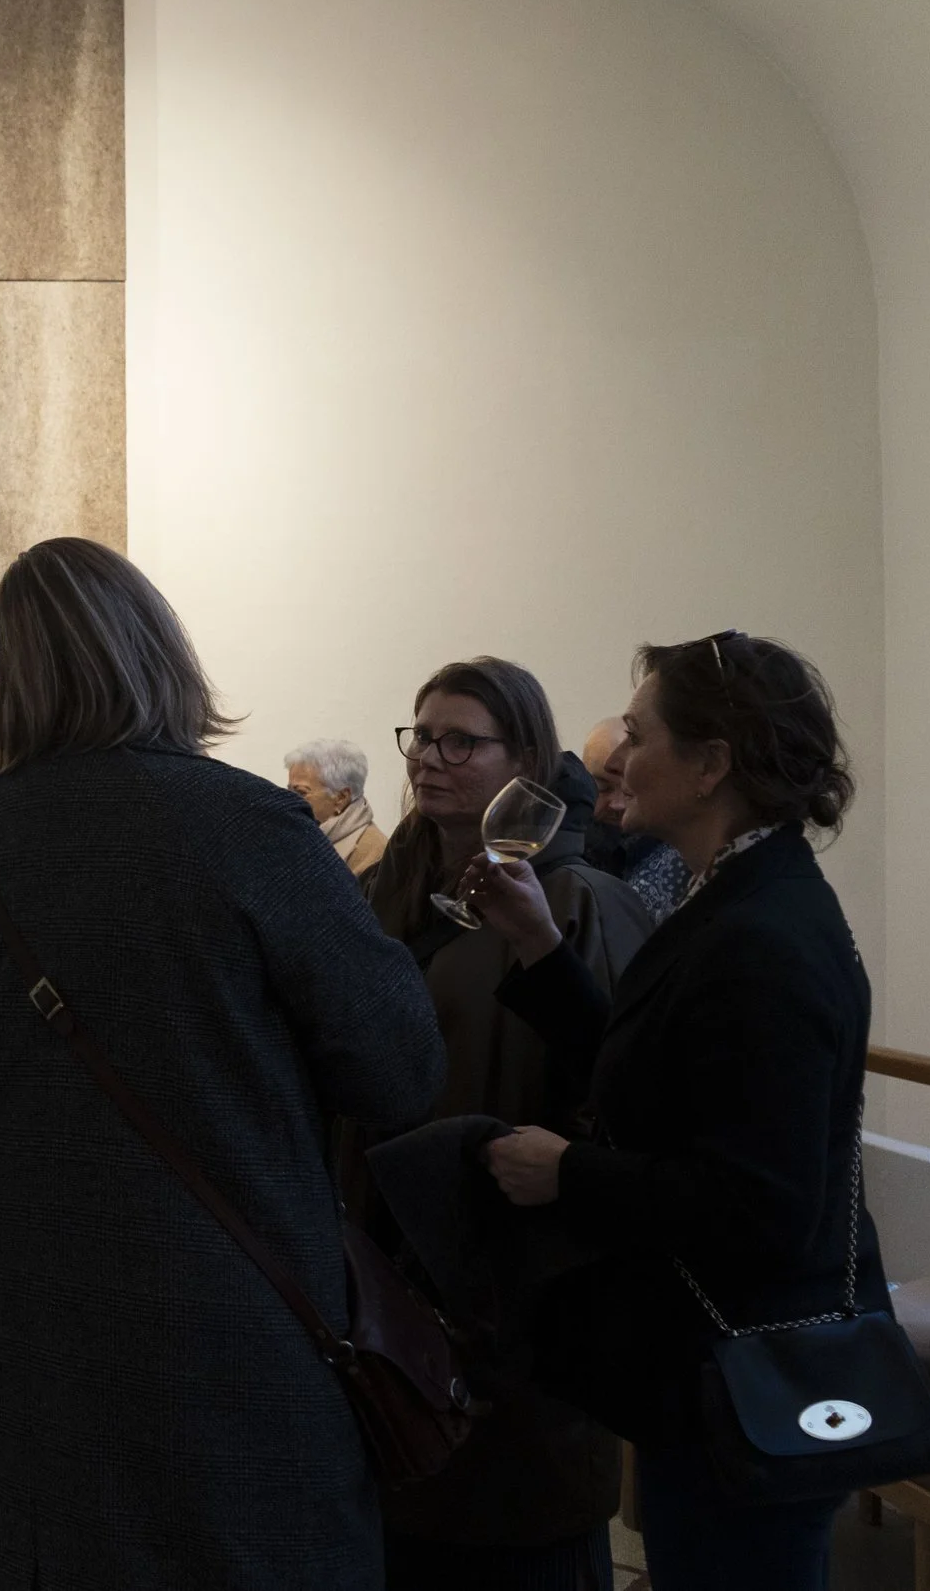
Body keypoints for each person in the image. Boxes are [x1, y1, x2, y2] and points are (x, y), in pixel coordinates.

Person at [0, 537, 445, 1590]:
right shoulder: (252, 825)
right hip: (217, 1325)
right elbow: (399, 1069)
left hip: (7, 1340)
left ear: (9, 680)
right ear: (162, 657)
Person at [472, 633, 887, 1591]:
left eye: (643, 733)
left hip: (744, 1377)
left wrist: (565, 1171)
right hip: (718, 1371)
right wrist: (542, 945)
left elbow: (759, 1206)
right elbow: (658, 1076)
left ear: (711, 765)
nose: (617, 756)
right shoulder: (740, 896)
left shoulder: (763, 935)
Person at [359, 660, 654, 1589]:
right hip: (393, 1259)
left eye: (462, 741)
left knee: (523, 1528)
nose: (430, 760)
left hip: (522, 1281)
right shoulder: (390, 884)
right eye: (421, 737)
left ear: (522, 756)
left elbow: (619, 1085)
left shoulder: (579, 900)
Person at [581, 724, 687, 922]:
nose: (618, 804)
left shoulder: (683, 849)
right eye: (602, 788)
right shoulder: (572, 841)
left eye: (629, 787)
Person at [285, 736, 388, 875]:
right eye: (289, 790)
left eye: (301, 793)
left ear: (341, 797)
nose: (289, 800)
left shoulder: (374, 855)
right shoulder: (299, 833)